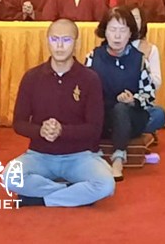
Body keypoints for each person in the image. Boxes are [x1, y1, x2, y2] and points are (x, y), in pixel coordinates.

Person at [7, 19, 115, 207]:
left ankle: (42, 199)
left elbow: (94, 128)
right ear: (47, 41)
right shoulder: (32, 77)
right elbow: (19, 123)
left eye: (66, 40)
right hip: (39, 155)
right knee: (9, 177)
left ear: (76, 44)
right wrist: (40, 131)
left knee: (106, 184)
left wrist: (62, 131)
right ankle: (73, 193)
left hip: (80, 156)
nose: (59, 46)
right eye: (54, 39)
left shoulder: (90, 79)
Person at [84, 8, 156, 181]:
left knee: (123, 109)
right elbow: (84, 94)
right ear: (105, 32)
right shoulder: (93, 57)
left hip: (130, 117)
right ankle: (92, 153)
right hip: (102, 117)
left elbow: (149, 95)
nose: (117, 36)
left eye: (123, 30)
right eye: (113, 30)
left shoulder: (140, 59)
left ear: (130, 33)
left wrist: (134, 100)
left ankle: (118, 158)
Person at [130, 10, 165, 136]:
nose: (132, 22)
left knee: (159, 115)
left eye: (136, 18)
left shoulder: (150, 49)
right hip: (116, 103)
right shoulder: (114, 46)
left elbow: (157, 83)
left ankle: (124, 129)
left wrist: (145, 70)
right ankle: (131, 130)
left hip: (141, 103)